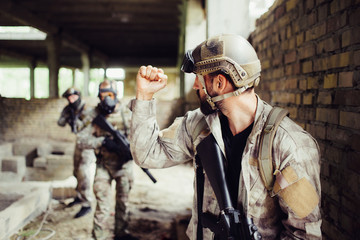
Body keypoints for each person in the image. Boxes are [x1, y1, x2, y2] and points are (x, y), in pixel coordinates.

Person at [129, 34, 322, 239]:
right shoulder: (198, 125)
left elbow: (304, 234)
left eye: (199, 77)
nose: (195, 85)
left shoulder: (289, 145)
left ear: (219, 83)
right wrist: (144, 96)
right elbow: (146, 154)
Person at [77, 79, 136, 240]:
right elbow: (80, 140)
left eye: (110, 95)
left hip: (124, 166)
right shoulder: (93, 115)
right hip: (104, 165)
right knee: (103, 205)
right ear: (98, 96)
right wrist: (102, 142)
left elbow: (140, 137)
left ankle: (121, 233)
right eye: (103, 96)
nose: (106, 99)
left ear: (116, 95)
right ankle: (98, 236)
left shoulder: (127, 113)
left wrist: (132, 150)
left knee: (123, 203)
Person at [58, 87, 96, 218]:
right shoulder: (70, 110)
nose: (71, 100)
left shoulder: (87, 109)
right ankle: (80, 197)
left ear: (78, 96)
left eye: (73, 97)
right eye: (69, 98)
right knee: (76, 171)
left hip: (88, 144)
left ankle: (87, 203)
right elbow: (61, 123)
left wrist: (75, 117)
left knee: (83, 172)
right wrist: (67, 112)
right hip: (79, 144)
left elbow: (83, 127)